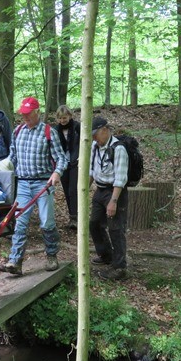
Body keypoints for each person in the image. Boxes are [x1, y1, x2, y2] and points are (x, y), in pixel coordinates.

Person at [0, 97, 68, 275]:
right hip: (22, 183)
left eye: (28, 114)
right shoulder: (18, 131)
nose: (25, 117)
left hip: (43, 183)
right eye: (23, 114)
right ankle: (15, 261)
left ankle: (52, 255)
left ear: (37, 112)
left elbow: (61, 158)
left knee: (46, 222)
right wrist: (1, 167)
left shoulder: (48, 132)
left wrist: (56, 173)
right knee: (20, 221)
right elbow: (12, 158)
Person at [89, 116, 129, 280]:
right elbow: (92, 170)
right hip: (100, 189)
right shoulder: (95, 146)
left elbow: (120, 178)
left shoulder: (118, 149)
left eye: (95, 134)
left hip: (115, 192)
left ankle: (120, 268)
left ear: (105, 130)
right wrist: (84, 189)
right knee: (94, 223)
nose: (94, 138)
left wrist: (113, 201)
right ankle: (106, 255)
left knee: (115, 228)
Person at [54, 105, 81, 229]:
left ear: (70, 116)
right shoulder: (56, 130)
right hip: (63, 163)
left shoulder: (77, 127)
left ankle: (77, 217)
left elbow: (84, 143)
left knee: (73, 190)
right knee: (66, 190)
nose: (62, 120)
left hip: (76, 161)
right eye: (60, 118)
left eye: (64, 117)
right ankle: (72, 217)